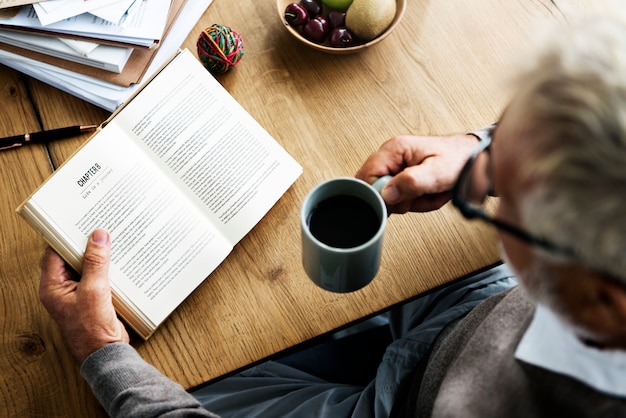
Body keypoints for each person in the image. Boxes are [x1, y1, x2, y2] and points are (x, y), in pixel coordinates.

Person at [38, 12, 626, 418]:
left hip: (417, 400)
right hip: (486, 308)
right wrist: (482, 152)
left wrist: (102, 352)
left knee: (184, 375)